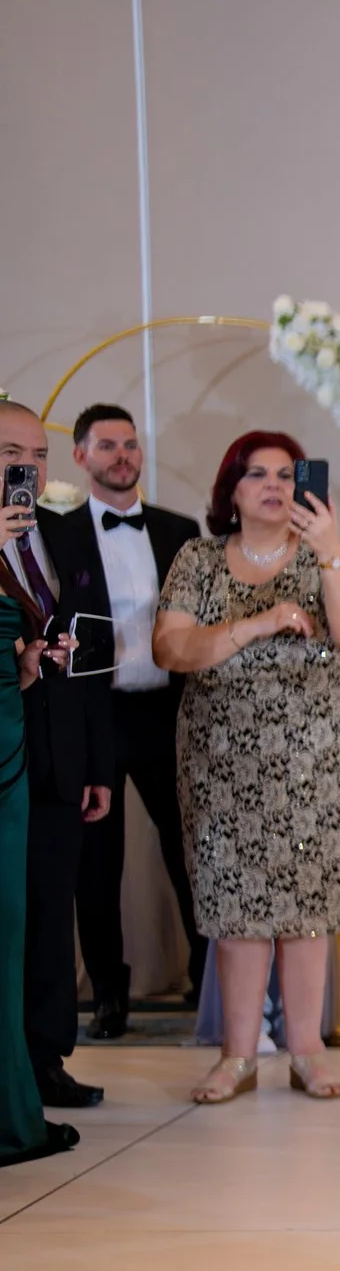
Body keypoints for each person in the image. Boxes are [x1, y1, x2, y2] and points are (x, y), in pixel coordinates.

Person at [152, 431, 340, 1104]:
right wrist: (255, 624)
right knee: (235, 903)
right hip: (224, 761)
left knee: (307, 906)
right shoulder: (198, 557)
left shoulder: (324, 554)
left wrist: (332, 548)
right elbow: (171, 647)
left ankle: (307, 1051)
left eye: (287, 474)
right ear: (231, 489)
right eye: (257, 474)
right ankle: (238, 1056)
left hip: (317, 759)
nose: (275, 485)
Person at [67, 403, 206, 1034]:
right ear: (81, 457)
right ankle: (109, 996)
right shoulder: (58, 535)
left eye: (130, 445)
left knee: (189, 850)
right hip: (93, 715)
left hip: (167, 712)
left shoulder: (181, 531)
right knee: (97, 863)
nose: (122, 456)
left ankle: (209, 981)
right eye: (107, 446)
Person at [0, 398, 113, 1110]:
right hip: (5, 747)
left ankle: (44, 1060)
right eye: (13, 451)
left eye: (40, 454)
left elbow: (98, 653)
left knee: (50, 913)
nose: (28, 467)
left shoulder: (66, 536)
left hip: (60, 753)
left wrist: (98, 764)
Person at [0, 459, 80, 1167]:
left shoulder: (34, 537)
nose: (20, 472)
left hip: (12, 742)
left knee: (11, 926)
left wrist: (28, 664)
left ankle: (13, 1102)